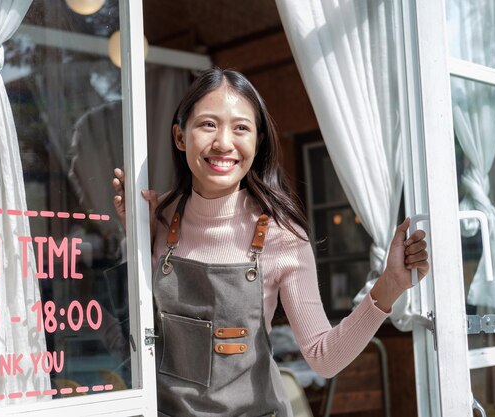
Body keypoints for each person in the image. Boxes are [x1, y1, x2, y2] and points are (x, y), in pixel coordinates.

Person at [112, 68, 429, 417]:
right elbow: (129, 332)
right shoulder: (157, 215)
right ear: (180, 136)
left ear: (257, 141)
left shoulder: (282, 236)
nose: (223, 142)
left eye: (241, 128)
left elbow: (323, 358)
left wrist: (391, 285)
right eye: (207, 124)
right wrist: (134, 232)